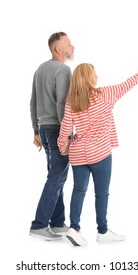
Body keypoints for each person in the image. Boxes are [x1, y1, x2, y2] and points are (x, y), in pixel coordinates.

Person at [57, 56, 138, 246]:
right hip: (100, 153)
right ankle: (102, 231)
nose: (97, 75)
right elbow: (130, 82)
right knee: (101, 193)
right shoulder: (106, 93)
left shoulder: (72, 101)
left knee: (79, 190)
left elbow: (65, 128)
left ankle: (74, 228)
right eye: (94, 72)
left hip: (78, 153)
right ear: (89, 77)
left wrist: (63, 145)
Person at [29, 32, 75, 240]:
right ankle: (39, 225)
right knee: (56, 177)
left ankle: (57, 223)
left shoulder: (40, 69)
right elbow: (61, 105)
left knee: (56, 175)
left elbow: (33, 102)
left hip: (45, 129)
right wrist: (65, 136)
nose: (72, 47)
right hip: (58, 129)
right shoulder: (63, 70)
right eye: (68, 44)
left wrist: (36, 130)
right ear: (59, 49)